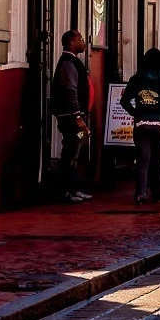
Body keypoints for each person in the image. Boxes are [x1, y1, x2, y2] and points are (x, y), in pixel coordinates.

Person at [120, 48, 160, 204]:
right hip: (158, 124)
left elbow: (124, 101)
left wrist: (136, 113)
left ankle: (141, 193)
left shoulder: (136, 78)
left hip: (141, 122)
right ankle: (157, 193)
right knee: (157, 159)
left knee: (143, 161)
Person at [50, 30, 91, 202]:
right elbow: (69, 90)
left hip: (77, 117)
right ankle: (65, 191)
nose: (84, 42)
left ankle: (74, 188)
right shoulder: (67, 63)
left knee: (76, 150)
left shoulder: (74, 62)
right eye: (81, 39)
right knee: (70, 152)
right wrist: (77, 116)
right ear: (72, 43)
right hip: (71, 118)